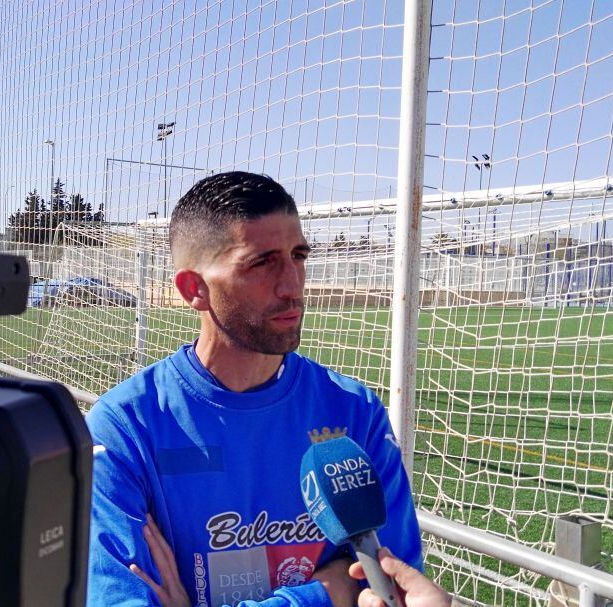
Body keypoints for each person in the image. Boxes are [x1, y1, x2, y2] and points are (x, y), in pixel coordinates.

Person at [86, 172, 424, 607]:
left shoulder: (354, 411)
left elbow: (395, 587)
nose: (293, 283)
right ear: (195, 289)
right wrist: (325, 592)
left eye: (298, 255)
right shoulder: (125, 426)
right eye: (262, 262)